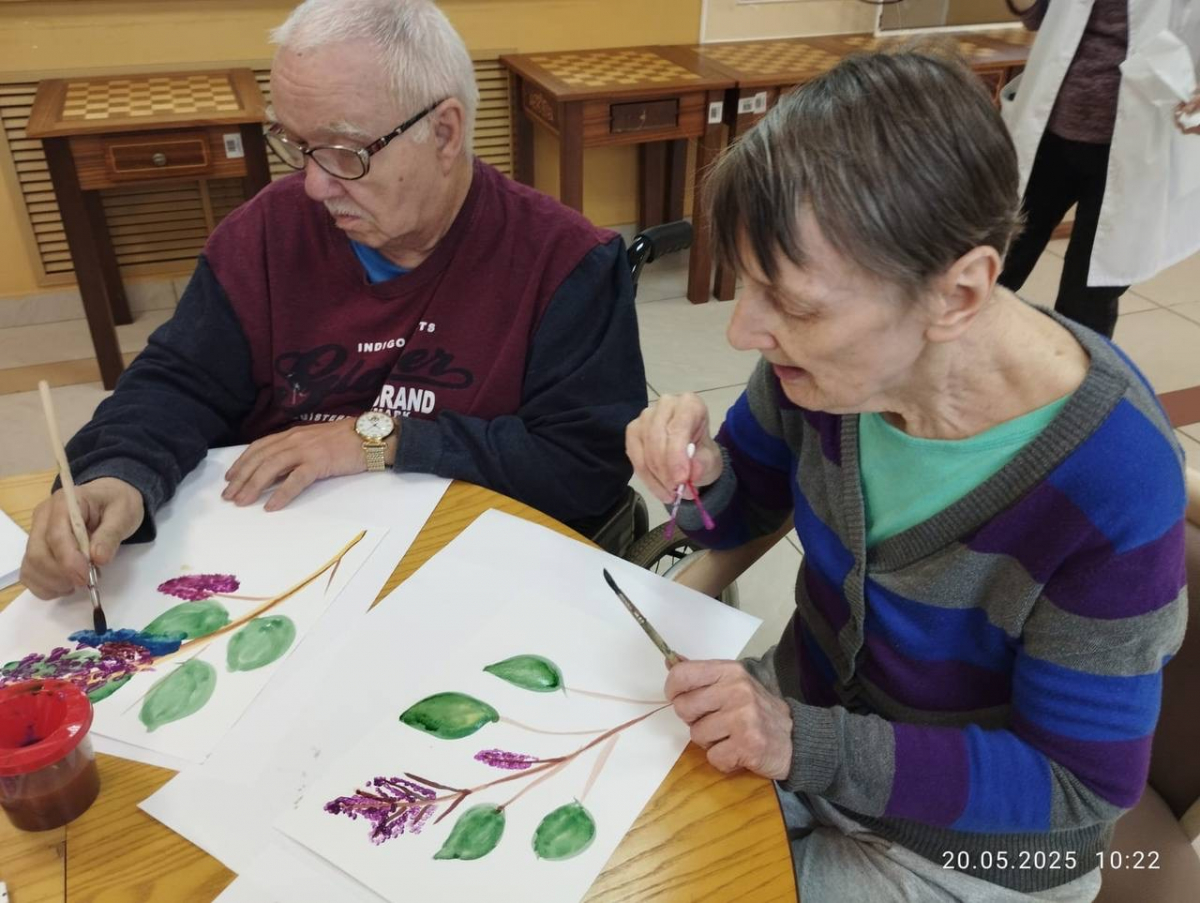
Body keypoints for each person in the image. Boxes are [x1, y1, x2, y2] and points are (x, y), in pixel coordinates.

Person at [626, 51, 1186, 902]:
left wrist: (801, 742)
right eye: (749, 284)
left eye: (793, 302)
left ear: (957, 295)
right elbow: (743, 514)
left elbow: (1076, 784)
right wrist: (697, 479)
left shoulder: (1113, 481)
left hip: (979, 845)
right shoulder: (820, 376)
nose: (743, 331)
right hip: (803, 732)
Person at [20, 0, 645, 600]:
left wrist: (384, 439)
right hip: (275, 564)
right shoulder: (265, 234)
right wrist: (117, 472)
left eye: (345, 152)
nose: (315, 186)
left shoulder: (564, 262)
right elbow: (180, 382)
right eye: (296, 145)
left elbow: (582, 467)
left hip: (465, 572)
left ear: (444, 132)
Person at [998, 0, 1200, 338]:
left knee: (1088, 298)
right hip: (1048, 131)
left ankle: (1082, 370)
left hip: (1134, 144)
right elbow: (1038, 16)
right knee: (997, 262)